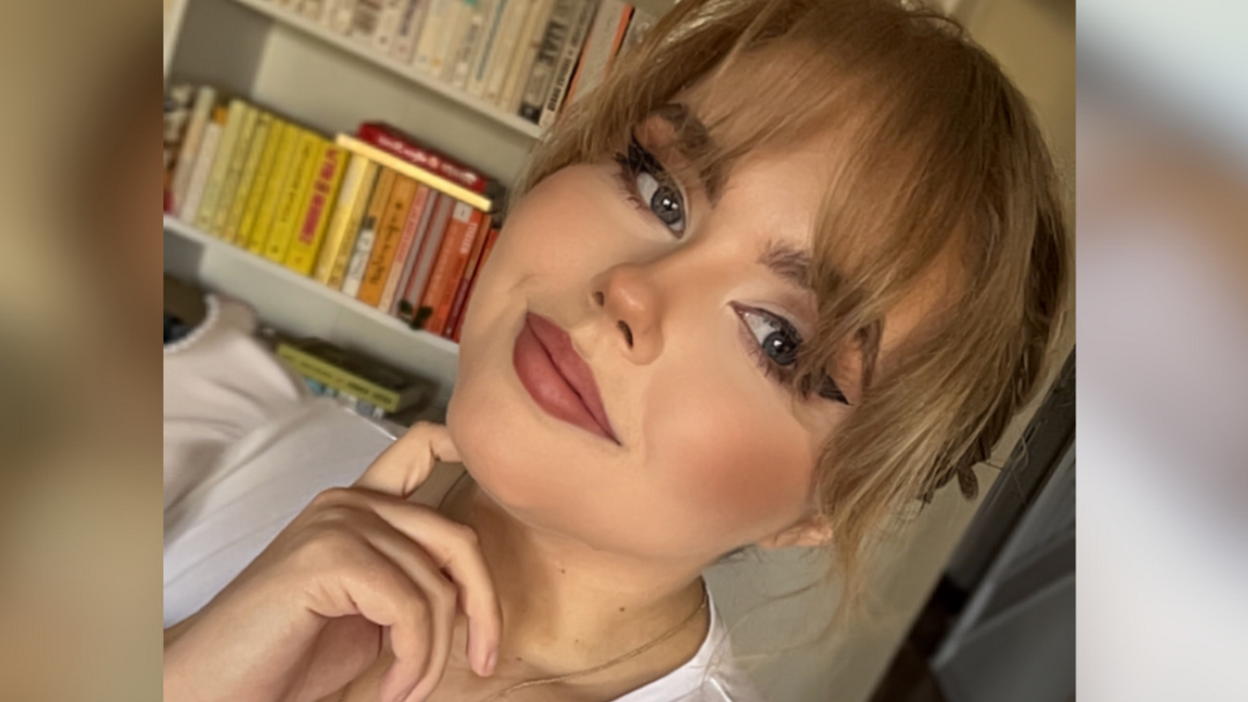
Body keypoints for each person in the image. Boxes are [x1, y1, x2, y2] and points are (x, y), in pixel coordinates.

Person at [162, 0, 1069, 700]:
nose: (633, 290)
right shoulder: (239, 428)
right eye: (660, 189)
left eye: (779, 338)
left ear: (827, 504)